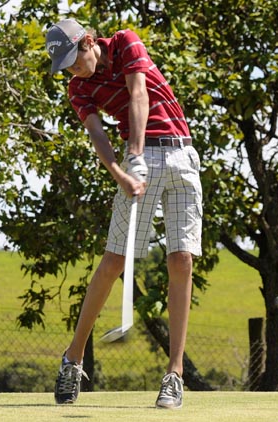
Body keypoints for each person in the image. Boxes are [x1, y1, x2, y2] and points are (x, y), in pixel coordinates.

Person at [44, 18, 202, 409]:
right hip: (140, 162)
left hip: (180, 154)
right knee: (114, 260)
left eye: (74, 59)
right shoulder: (78, 88)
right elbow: (97, 133)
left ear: (90, 42)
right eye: (65, 66)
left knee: (181, 260)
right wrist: (120, 172)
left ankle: (174, 374)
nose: (73, 69)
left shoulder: (126, 43)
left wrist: (133, 151)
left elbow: (138, 96)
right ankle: (73, 358)